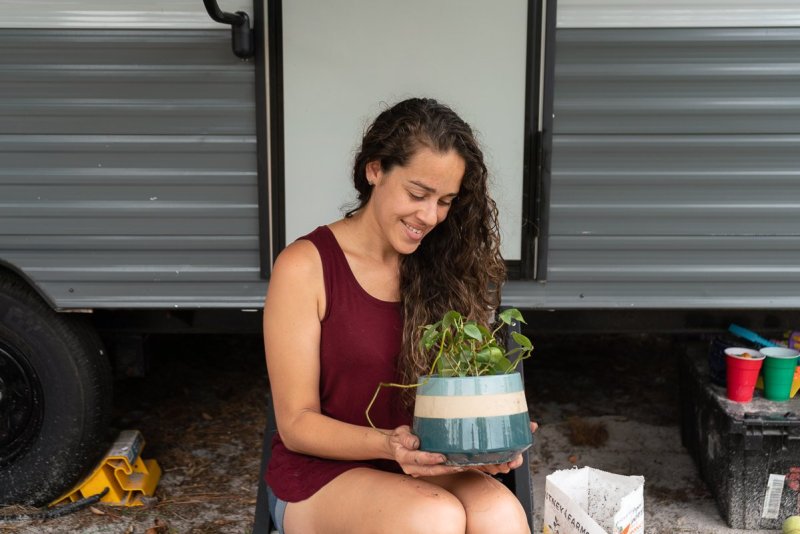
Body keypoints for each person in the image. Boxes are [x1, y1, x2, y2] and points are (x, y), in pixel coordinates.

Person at [263, 97, 536, 534]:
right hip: (320, 475)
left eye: (445, 201)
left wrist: (491, 433)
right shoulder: (306, 267)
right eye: (417, 194)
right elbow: (295, 424)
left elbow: (457, 393)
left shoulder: (444, 267)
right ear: (375, 170)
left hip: (421, 462)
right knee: (433, 517)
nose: (429, 217)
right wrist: (390, 446)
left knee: (500, 516)